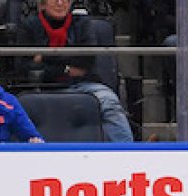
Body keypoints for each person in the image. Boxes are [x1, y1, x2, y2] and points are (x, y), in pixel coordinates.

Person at [16, 0, 133, 142]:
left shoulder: (82, 23)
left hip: (82, 84)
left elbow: (86, 61)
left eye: (65, 0)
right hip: (42, 86)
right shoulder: (28, 25)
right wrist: (65, 68)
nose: (60, 3)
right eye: (55, 0)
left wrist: (44, 57)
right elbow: (23, 66)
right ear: (43, 3)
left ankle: (124, 153)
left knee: (109, 102)